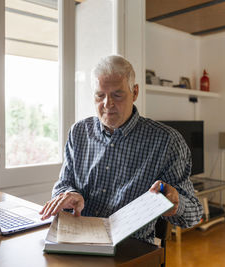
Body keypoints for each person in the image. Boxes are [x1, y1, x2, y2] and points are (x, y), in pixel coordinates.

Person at [39, 55, 203, 244]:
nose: (107, 104)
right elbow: (63, 184)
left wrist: (176, 204)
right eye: (100, 95)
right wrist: (70, 194)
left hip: (130, 250)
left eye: (117, 95)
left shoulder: (167, 142)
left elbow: (194, 214)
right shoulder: (79, 132)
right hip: (77, 241)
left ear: (135, 92)